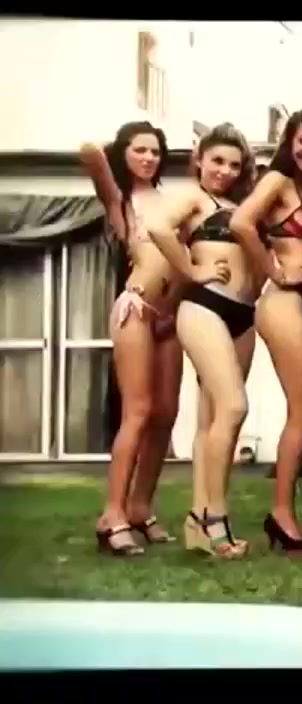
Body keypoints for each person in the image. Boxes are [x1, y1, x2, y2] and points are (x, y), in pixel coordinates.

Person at [229, 107, 302, 552]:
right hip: (285, 301)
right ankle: (281, 513)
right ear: (289, 143)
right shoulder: (278, 182)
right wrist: (275, 272)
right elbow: (241, 223)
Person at [148, 123, 261, 559]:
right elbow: (158, 227)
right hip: (205, 306)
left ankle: (198, 519)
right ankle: (216, 518)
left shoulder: (243, 205)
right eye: (217, 161)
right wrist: (192, 270)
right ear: (199, 160)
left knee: (213, 420)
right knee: (234, 407)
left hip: (243, 315)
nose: (225, 171)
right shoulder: (195, 199)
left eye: (234, 164)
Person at [80, 121, 182, 556]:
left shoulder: (172, 201)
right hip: (137, 308)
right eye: (139, 150)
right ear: (124, 153)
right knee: (137, 411)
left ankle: (140, 507)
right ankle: (112, 514)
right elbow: (88, 150)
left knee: (166, 413)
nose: (148, 158)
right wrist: (115, 153)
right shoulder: (120, 201)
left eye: (155, 151)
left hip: (171, 313)